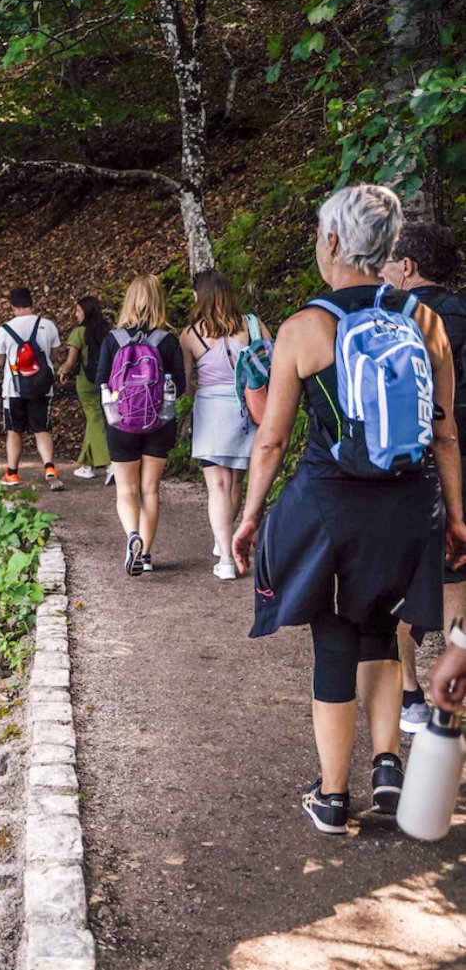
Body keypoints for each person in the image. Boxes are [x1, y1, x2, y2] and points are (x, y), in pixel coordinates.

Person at [232, 184, 466, 835]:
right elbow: (444, 432)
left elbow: (272, 439)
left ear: (333, 243)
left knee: (334, 641)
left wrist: (250, 516)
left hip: (331, 508)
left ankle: (334, 795)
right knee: (391, 631)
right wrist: (454, 514)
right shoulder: (427, 322)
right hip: (411, 505)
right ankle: (389, 766)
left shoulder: (306, 328)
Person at [382, 222, 465, 732]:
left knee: (399, 579)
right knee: (458, 572)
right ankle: (456, 682)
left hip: (418, 465)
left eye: (387, 264)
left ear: (407, 267)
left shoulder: (400, 320)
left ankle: (410, 695)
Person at [180, 271, 272, 582]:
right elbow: (274, 361)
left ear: (200, 296)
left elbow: (185, 383)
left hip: (211, 412)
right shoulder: (253, 324)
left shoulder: (190, 334)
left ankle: (226, 558)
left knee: (216, 486)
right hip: (248, 408)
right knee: (234, 483)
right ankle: (226, 544)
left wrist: (202, 391)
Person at [94, 276, 185, 575]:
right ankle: (145, 555)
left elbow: (102, 383)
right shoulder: (168, 341)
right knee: (150, 490)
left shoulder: (113, 339)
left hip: (121, 424)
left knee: (125, 490)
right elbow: (180, 387)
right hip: (159, 422)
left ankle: (131, 535)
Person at [0, 287, 63, 490]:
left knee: (14, 431)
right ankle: (50, 468)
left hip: (14, 388)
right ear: (32, 304)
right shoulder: (48, 325)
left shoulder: (5, 329)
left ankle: (12, 474)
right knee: (42, 428)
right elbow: (55, 355)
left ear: (13, 307)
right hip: (42, 386)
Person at [59, 296, 112, 485]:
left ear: (86, 313)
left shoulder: (79, 333)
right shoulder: (106, 331)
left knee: (95, 419)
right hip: (105, 380)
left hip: (86, 382)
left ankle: (109, 464)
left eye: (78, 311)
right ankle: (86, 465)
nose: (76, 314)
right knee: (96, 418)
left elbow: (71, 360)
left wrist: (63, 372)